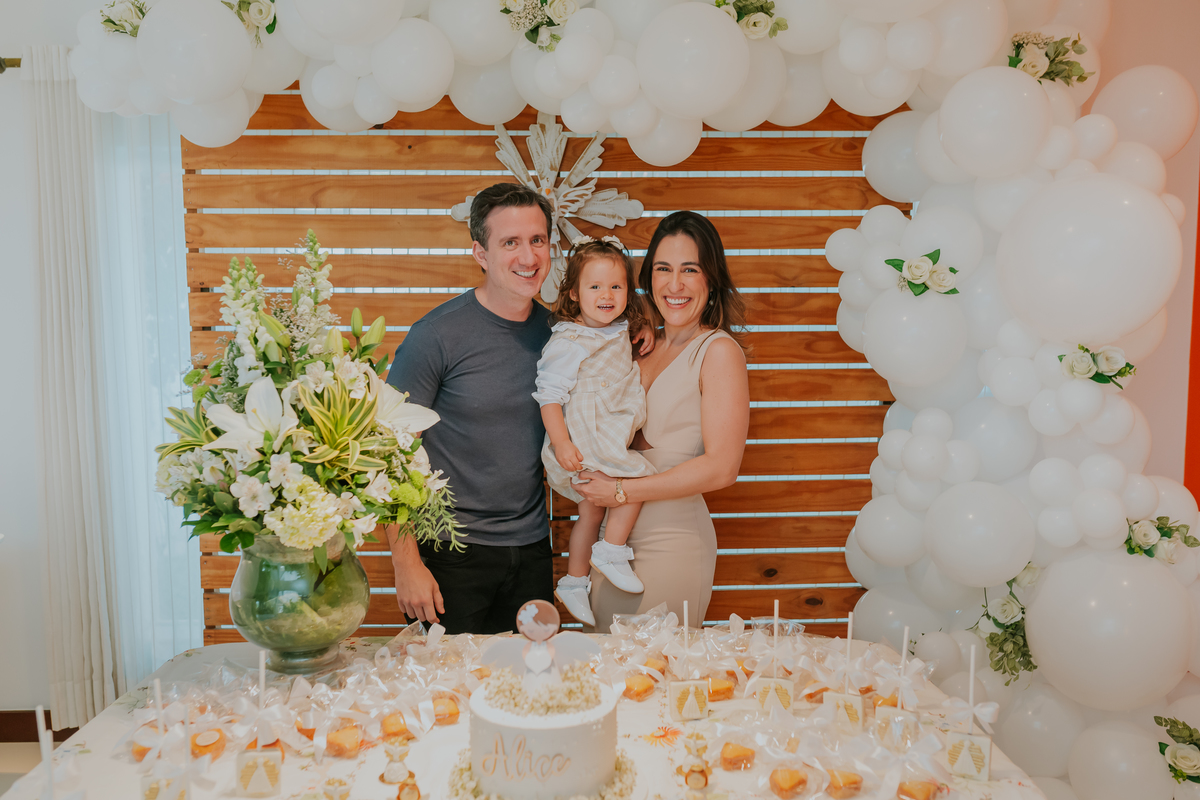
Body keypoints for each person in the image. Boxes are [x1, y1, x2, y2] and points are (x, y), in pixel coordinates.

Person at [384, 182, 556, 634]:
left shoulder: (563, 336)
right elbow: (389, 454)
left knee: (527, 690)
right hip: (448, 554)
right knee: (449, 699)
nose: (528, 257)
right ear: (481, 253)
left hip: (534, 549)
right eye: (510, 243)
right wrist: (406, 565)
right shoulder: (436, 336)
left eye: (537, 240)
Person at [575, 211, 751, 632]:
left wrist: (620, 490)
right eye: (663, 269)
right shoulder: (636, 346)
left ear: (711, 279)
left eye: (690, 270)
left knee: (654, 677)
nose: (675, 285)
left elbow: (722, 467)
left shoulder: (718, 351)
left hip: (672, 545)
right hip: (611, 546)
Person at [533, 236, 656, 628]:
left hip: (606, 428)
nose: (607, 295)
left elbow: (628, 336)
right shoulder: (570, 340)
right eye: (595, 286)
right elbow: (548, 397)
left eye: (616, 286)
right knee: (638, 477)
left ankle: (573, 580)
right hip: (586, 436)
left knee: (590, 509)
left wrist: (646, 332)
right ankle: (612, 549)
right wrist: (561, 442)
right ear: (574, 293)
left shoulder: (619, 328)